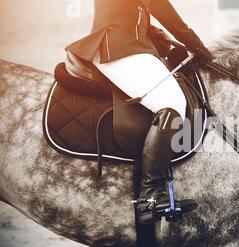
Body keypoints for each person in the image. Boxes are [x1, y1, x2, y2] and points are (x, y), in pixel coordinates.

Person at [66, 0, 213, 224]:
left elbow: (130, 10)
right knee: (172, 102)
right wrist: (197, 45)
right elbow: (157, 5)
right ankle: (151, 195)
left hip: (127, 43)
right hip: (117, 46)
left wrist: (157, 36)